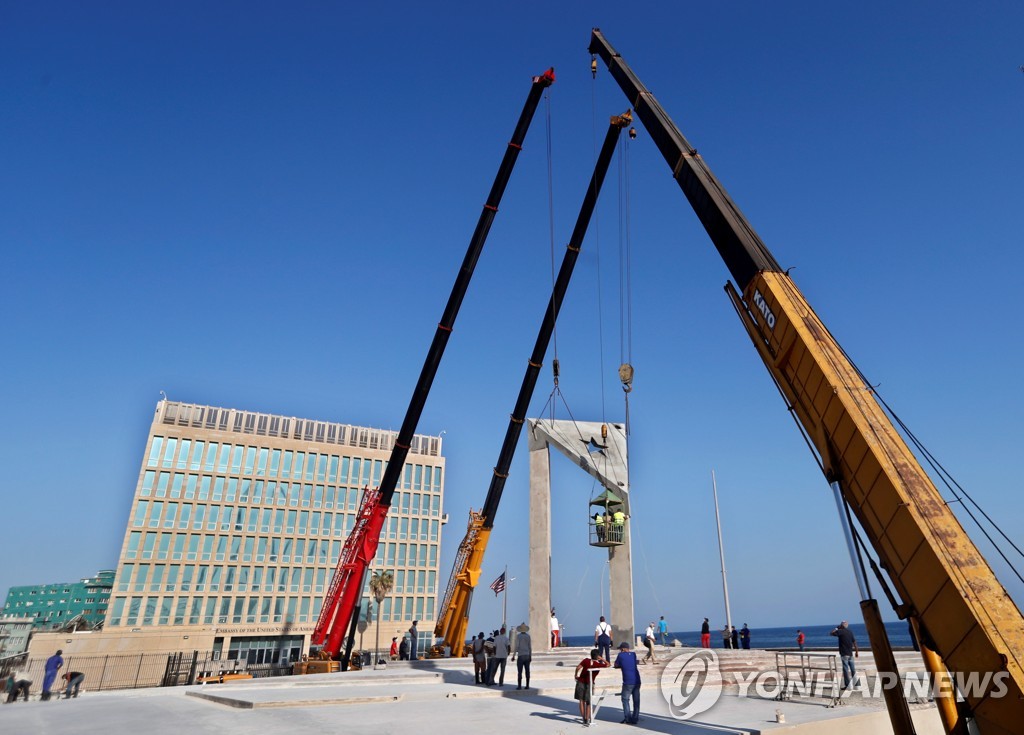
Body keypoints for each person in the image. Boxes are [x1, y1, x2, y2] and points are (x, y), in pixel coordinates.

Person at [574, 648, 609, 726]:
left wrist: (576, 675)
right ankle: (588, 717)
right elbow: (608, 664)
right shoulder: (598, 664)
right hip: (590, 683)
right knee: (589, 701)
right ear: (598, 656)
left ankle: (584, 719)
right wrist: (602, 659)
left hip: (581, 682)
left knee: (581, 700)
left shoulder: (586, 660)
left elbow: (578, 667)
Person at [613, 641, 641, 724]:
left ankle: (628, 718)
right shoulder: (633, 654)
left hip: (628, 681)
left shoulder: (620, 655)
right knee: (636, 701)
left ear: (623, 649)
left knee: (625, 699)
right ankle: (635, 718)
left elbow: (615, 664)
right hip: (637, 680)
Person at [831, 621, 859, 688]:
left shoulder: (840, 631)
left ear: (841, 626)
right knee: (853, 669)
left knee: (845, 669)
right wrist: (856, 651)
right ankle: (856, 685)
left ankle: (848, 685)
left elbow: (831, 633)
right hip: (850, 653)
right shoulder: (850, 632)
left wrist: (837, 628)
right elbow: (854, 642)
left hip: (844, 653)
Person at [515, 623, 532, 690]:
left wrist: (513, 656)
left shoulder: (518, 636)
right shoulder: (528, 636)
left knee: (520, 671)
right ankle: (527, 685)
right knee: (527, 671)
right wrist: (530, 656)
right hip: (527, 655)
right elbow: (530, 647)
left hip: (521, 655)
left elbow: (517, 646)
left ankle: (519, 686)